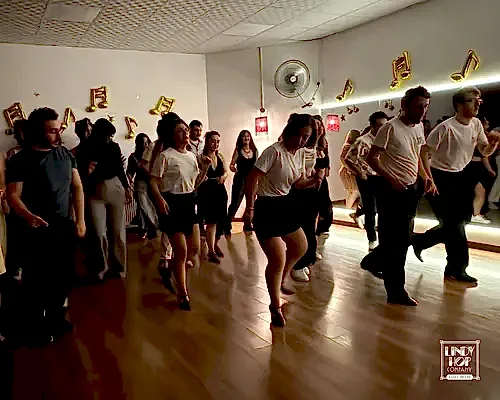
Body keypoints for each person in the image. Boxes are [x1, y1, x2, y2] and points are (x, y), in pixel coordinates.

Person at [6, 107, 85, 345]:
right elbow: (13, 195)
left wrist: (80, 219)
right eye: (52, 131)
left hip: (63, 226)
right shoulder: (20, 160)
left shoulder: (65, 155)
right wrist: (28, 216)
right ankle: (37, 324)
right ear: (38, 132)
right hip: (35, 229)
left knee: (64, 276)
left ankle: (55, 316)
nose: (58, 134)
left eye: (59, 129)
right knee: (38, 280)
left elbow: (77, 187)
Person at [413, 88, 500, 284]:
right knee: (455, 226)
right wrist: (428, 179)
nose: (477, 104)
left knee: (462, 220)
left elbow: (484, 149)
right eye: (472, 100)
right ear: (459, 105)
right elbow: (424, 152)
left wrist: (493, 144)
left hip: (460, 175)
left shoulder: (476, 124)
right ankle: (456, 269)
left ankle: (419, 241)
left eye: (479, 100)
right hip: (439, 176)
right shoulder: (445, 127)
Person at [244, 113, 322, 327]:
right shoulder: (274, 151)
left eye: (307, 137)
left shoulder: (299, 154)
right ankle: (275, 305)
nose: (302, 140)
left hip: (284, 204)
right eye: (300, 135)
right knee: (276, 258)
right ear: (290, 132)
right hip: (266, 207)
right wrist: (249, 208)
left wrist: (315, 180)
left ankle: (283, 277)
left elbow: (297, 183)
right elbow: (252, 179)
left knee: (301, 246)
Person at [361, 86, 436, 306]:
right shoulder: (389, 128)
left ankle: (373, 261)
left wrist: (426, 176)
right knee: (396, 241)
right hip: (391, 190)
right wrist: (391, 178)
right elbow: (371, 158)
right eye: (419, 106)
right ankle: (395, 291)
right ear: (405, 105)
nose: (423, 111)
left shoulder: (419, 126)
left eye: (425, 106)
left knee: (402, 239)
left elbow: (417, 154)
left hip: (411, 188)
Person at [150, 115, 210, 311]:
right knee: (181, 251)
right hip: (172, 203)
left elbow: (195, 183)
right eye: (180, 131)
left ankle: (171, 269)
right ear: (172, 135)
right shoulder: (165, 156)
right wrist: (160, 200)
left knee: (194, 248)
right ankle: (182, 293)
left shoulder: (191, 156)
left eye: (186, 130)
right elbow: (153, 181)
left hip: (188, 202)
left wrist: (205, 167)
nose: (185, 133)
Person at [80, 118, 132, 280]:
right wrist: (88, 171)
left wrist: (127, 187)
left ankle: (120, 267)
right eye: (108, 135)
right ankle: (102, 267)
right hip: (94, 191)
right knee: (99, 232)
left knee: (118, 232)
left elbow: (119, 169)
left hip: (114, 188)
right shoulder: (85, 147)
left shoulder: (113, 147)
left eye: (111, 135)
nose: (110, 138)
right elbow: (80, 173)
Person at [344, 111, 389, 251]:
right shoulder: (362, 141)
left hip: (382, 177)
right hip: (367, 178)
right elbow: (348, 159)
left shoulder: (387, 140)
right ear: (372, 126)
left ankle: (384, 240)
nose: (382, 129)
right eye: (379, 125)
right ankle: (372, 239)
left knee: (384, 209)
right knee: (370, 210)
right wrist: (360, 172)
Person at [290, 118, 321, 282]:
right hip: (299, 191)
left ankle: (306, 260)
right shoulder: (298, 150)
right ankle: (298, 264)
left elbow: (313, 169)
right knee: (304, 230)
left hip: (311, 190)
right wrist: (314, 179)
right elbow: (298, 179)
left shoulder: (315, 148)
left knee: (311, 228)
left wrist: (316, 176)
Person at [196, 131, 231, 263]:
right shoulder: (200, 157)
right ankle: (210, 250)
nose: (215, 144)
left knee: (221, 220)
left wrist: (223, 177)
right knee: (211, 221)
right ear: (207, 142)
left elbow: (226, 171)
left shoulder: (220, 156)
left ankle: (215, 244)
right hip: (207, 191)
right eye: (213, 141)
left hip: (220, 191)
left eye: (218, 141)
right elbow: (198, 176)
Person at [127, 133, 158, 239]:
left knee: (151, 206)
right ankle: (148, 228)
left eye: (147, 143)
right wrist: (129, 183)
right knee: (143, 206)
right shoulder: (134, 156)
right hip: (140, 183)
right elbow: (129, 172)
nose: (146, 145)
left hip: (152, 183)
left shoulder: (153, 155)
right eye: (143, 143)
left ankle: (148, 228)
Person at [227, 130, 258, 233]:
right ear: (240, 138)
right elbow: (232, 164)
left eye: (248, 136)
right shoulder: (238, 150)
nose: (246, 138)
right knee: (235, 202)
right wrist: (233, 168)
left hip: (251, 180)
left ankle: (248, 223)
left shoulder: (254, 150)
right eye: (244, 136)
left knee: (250, 203)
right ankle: (227, 224)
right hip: (240, 179)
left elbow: (257, 165)